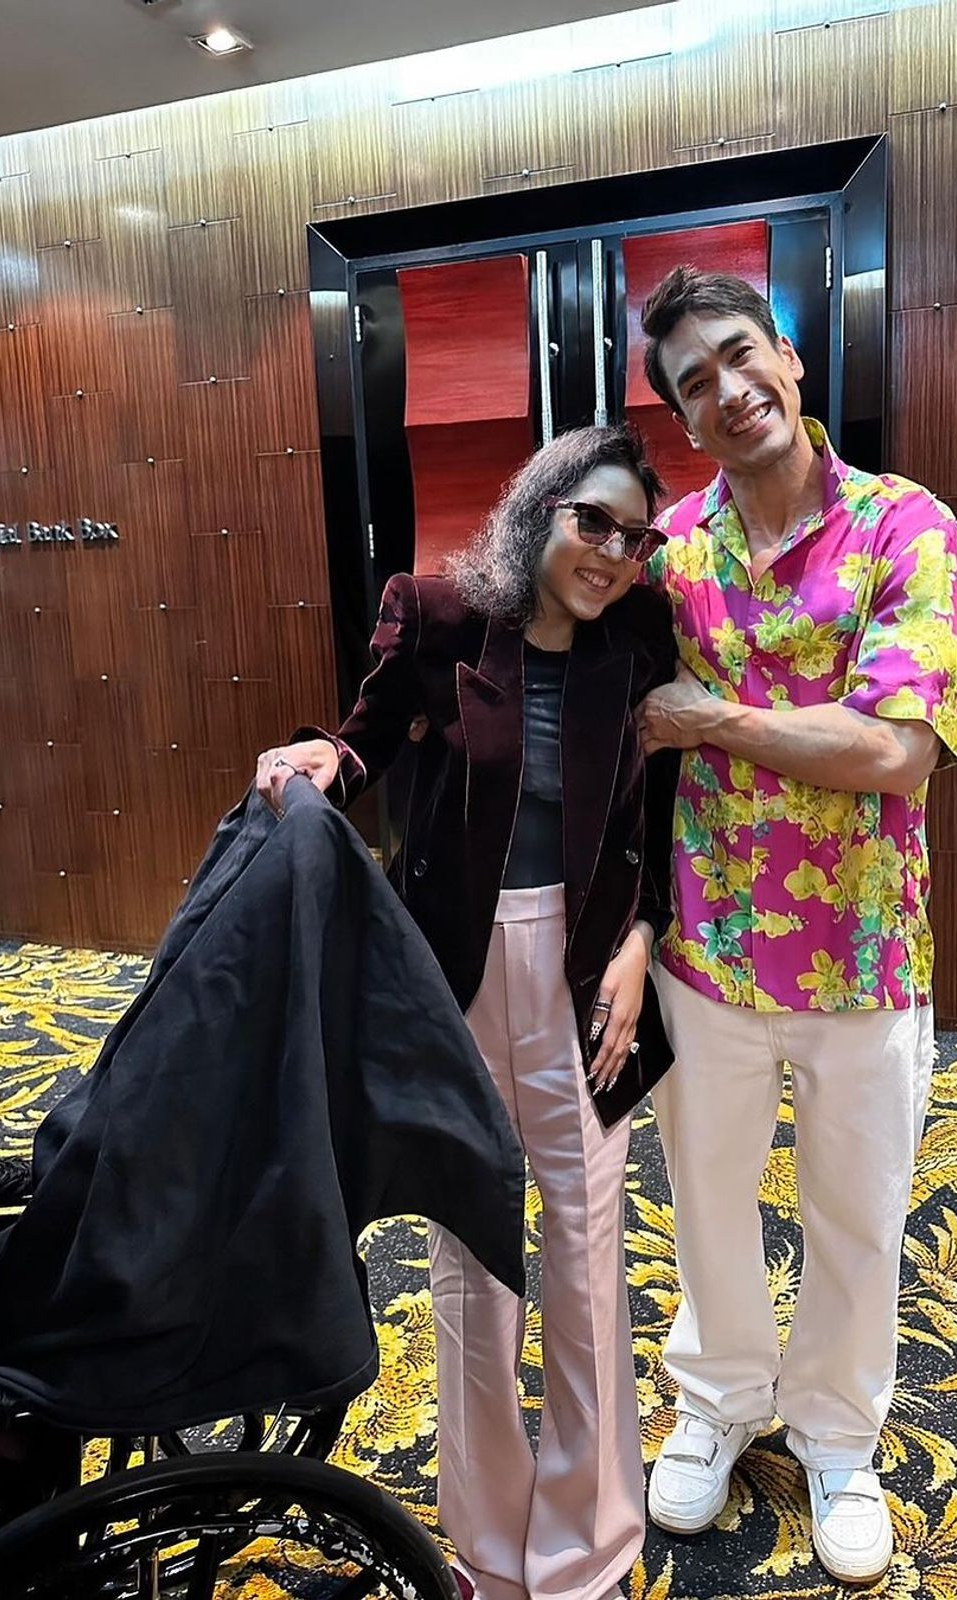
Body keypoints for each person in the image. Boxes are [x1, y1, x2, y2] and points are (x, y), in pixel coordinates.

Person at [256, 425, 679, 1600]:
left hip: (588, 973)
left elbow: (659, 816)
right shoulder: (438, 614)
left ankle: (588, 1548)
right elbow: (365, 737)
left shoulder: (639, 638)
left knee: (586, 1259)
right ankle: (489, 1547)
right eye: (590, 521)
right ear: (538, 509)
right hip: (454, 973)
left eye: (635, 537)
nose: (611, 553)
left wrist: (641, 939)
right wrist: (322, 760)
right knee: (473, 1258)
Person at [633, 268, 957, 1587]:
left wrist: (710, 718)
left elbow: (895, 751)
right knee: (706, 1200)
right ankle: (718, 1401)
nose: (727, 391)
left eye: (739, 355)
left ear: (789, 355)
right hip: (705, 947)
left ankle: (837, 1438)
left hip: (866, 949)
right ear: (681, 419)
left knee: (857, 1212)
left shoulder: (906, 527)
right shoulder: (673, 552)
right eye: (694, 383)